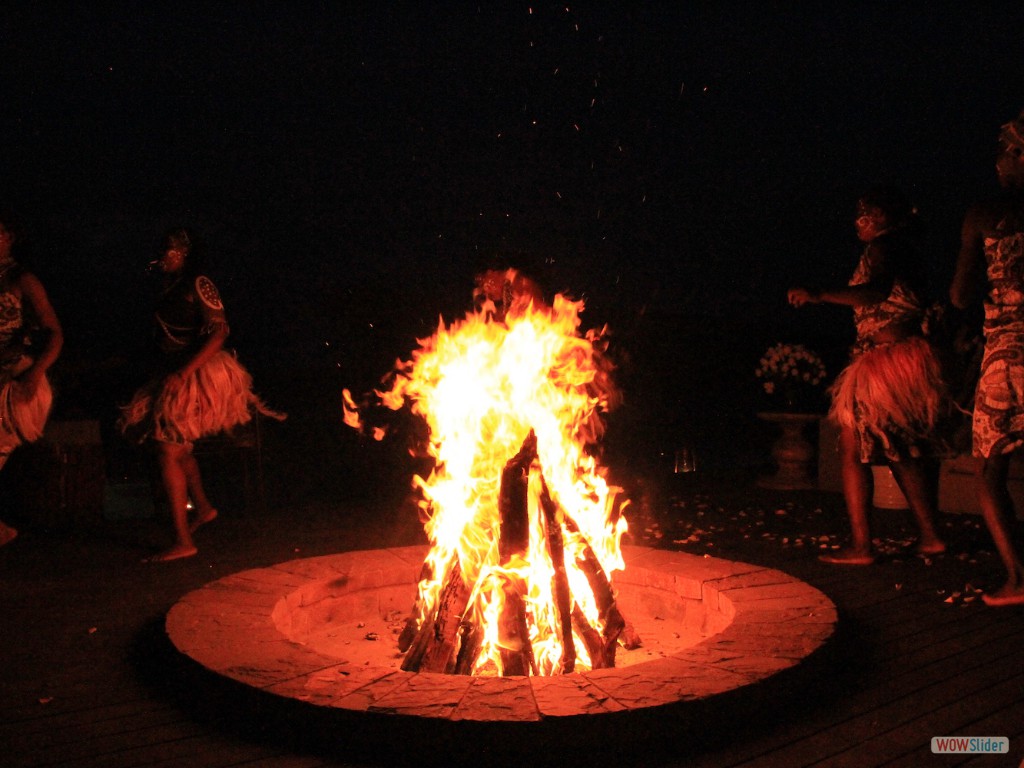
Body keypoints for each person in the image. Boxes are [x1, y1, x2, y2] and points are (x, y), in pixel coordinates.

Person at [788, 185, 952, 564]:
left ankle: (862, 546)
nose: (856, 222)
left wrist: (819, 294)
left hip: (885, 358)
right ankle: (930, 536)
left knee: (851, 447)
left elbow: (874, 293)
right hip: (900, 355)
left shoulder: (883, 247)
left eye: (864, 215)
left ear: (880, 219)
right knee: (896, 449)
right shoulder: (902, 249)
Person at [118, 228, 284, 562]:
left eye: (168, 250)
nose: (161, 255)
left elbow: (219, 332)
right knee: (178, 448)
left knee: (168, 451)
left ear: (184, 253)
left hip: (198, 373)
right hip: (175, 372)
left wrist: (183, 373)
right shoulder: (169, 287)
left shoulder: (200, 283)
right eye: (161, 249)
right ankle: (204, 509)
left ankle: (183, 540)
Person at [949, 109, 1024, 606]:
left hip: (1007, 353)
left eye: (1002, 153)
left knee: (991, 469)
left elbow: (960, 294)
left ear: (1019, 154)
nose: (996, 164)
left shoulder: (984, 214)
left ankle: (1019, 580)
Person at [0, 213, 63, 546]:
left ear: (10, 237)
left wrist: (35, 375)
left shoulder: (23, 279)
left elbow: (55, 333)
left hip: (15, 377)